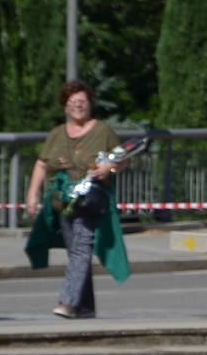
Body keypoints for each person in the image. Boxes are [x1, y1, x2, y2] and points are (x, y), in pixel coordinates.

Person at [24, 79, 130, 318]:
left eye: (82, 101)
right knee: (75, 252)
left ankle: (68, 302)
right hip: (63, 202)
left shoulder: (103, 132)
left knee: (81, 248)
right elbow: (42, 164)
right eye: (73, 102)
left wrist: (109, 168)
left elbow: (123, 160)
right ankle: (85, 306)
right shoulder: (57, 134)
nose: (78, 106)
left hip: (90, 200)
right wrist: (32, 194)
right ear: (65, 106)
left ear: (90, 104)